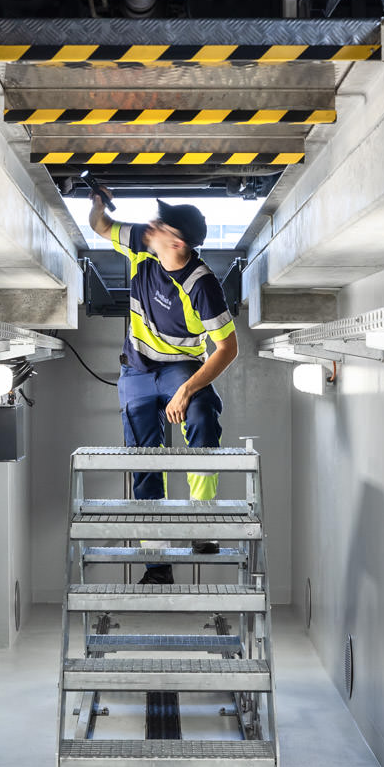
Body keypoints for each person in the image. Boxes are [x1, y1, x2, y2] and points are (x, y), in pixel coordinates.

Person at [89, 187, 238, 584]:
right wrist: (98, 203)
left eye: (160, 224)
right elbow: (100, 227)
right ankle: (157, 564)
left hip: (181, 367)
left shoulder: (201, 284)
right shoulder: (143, 245)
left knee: (203, 418)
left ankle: (202, 527)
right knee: (144, 459)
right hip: (137, 370)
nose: (149, 225)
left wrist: (187, 390)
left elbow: (228, 348)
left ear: (177, 241)